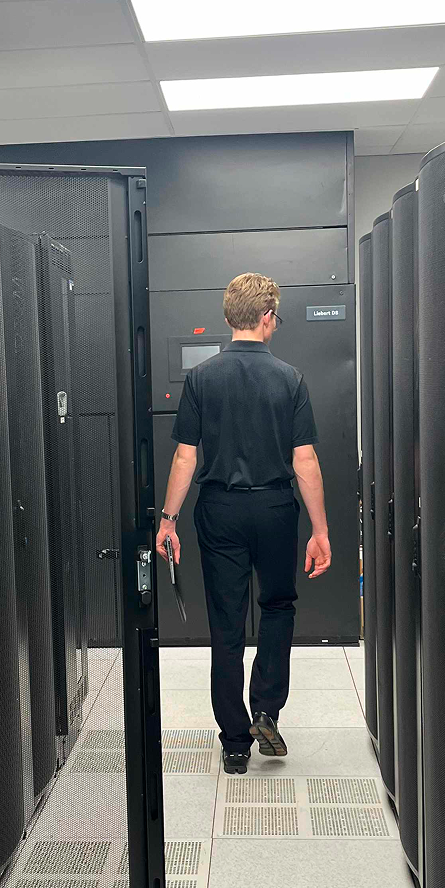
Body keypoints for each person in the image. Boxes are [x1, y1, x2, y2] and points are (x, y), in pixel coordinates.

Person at [156, 272, 331, 774]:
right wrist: (319, 531)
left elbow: (185, 458)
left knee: (226, 623)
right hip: (274, 509)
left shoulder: (201, 378)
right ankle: (266, 710)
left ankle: (235, 742)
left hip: (220, 511)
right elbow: (305, 461)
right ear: (267, 317)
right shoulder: (290, 379)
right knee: (277, 607)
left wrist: (168, 521)